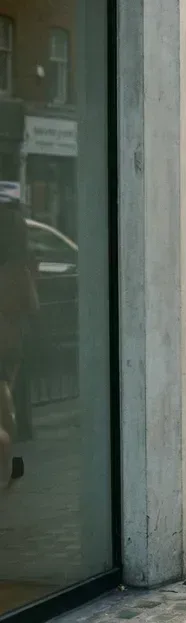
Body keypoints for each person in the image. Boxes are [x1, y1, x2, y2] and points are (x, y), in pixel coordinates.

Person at [0, 182, 35, 489]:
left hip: (8, 333)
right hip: (9, 336)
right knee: (6, 396)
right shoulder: (17, 270)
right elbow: (30, 306)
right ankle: (9, 462)